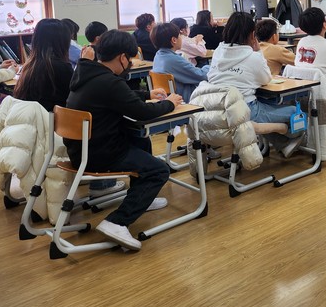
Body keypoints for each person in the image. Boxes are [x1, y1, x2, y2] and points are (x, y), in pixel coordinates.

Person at [65, 29, 183, 251]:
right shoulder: (108, 82)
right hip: (101, 154)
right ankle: (117, 221)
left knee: (141, 141)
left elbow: (121, 98)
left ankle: (140, 199)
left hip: (82, 150)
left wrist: (147, 95)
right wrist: (171, 103)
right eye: (129, 59)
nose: (129, 63)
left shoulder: (88, 73)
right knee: (159, 170)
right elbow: (141, 113)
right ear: (122, 57)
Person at [208, 12, 298, 137]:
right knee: (295, 112)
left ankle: (279, 145)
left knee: (269, 105)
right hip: (246, 109)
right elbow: (266, 79)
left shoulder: (218, 51)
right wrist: (258, 52)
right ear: (252, 34)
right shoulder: (252, 56)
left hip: (218, 109)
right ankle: (286, 144)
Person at [12, 18, 73, 113]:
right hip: (50, 122)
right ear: (63, 42)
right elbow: (73, 99)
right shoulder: (60, 67)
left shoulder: (30, 65)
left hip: (31, 120)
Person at [152, 22, 210, 101]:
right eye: (180, 35)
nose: (181, 38)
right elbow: (202, 76)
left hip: (166, 99)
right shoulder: (173, 60)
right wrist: (210, 66)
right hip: (185, 99)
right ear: (174, 40)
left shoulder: (158, 56)